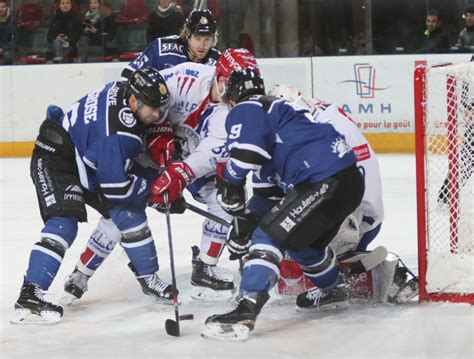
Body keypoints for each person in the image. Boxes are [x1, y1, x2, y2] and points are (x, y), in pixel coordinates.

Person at [152, 67, 364, 340]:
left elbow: (245, 155)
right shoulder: (273, 119)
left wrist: (230, 183)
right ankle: (333, 288)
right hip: (346, 183)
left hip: (323, 180)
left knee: (270, 235)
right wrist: (244, 223)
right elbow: (267, 196)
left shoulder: (248, 108)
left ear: (232, 97)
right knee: (303, 245)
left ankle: (246, 307)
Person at [62, 49, 260, 303]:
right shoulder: (188, 75)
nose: (236, 93)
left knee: (223, 202)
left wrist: (180, 174)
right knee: (122, 213)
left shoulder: (233, 112)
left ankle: (205, 268)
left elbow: (208, 153)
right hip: (150, 154)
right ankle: (81, 272)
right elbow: (152, 98)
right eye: (231, 84)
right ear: (220, 75)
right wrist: (160, 134)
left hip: (190, 159)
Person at [12, 67, 174, 325]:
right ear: (134, 100)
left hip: (86, 157)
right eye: (152, 108)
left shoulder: (124, 90)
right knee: (64, 223)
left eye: (160, 107)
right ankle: (30, 295)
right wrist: (153, 190)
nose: (157, 115)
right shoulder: (119, 135)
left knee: (128, 214)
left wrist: (153, 187)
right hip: (57, 158)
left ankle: (147, 278)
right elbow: (116, 189)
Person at [268, 85, 418, 306]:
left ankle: (385, 273)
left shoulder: (332, 127)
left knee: (311, 235)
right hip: (341, 205)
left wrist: (361, 224)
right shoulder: (304, 120)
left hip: (359, 213)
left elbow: (364, 177)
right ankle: (350, 267)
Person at [121, 8, 220, 79]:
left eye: (207, 39)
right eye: (197, 38)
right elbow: (129, 73)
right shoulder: (161, 48)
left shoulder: (219, 62)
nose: (202, 45)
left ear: (213, 39)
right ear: (187, 35)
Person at [0, 0, 16, 65]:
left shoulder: (13, 21)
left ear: (7, 7)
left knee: (7, 56)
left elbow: (15, 39)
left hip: (7, 49)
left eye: (3, 7)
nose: (0, 9)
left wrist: (3, 49)